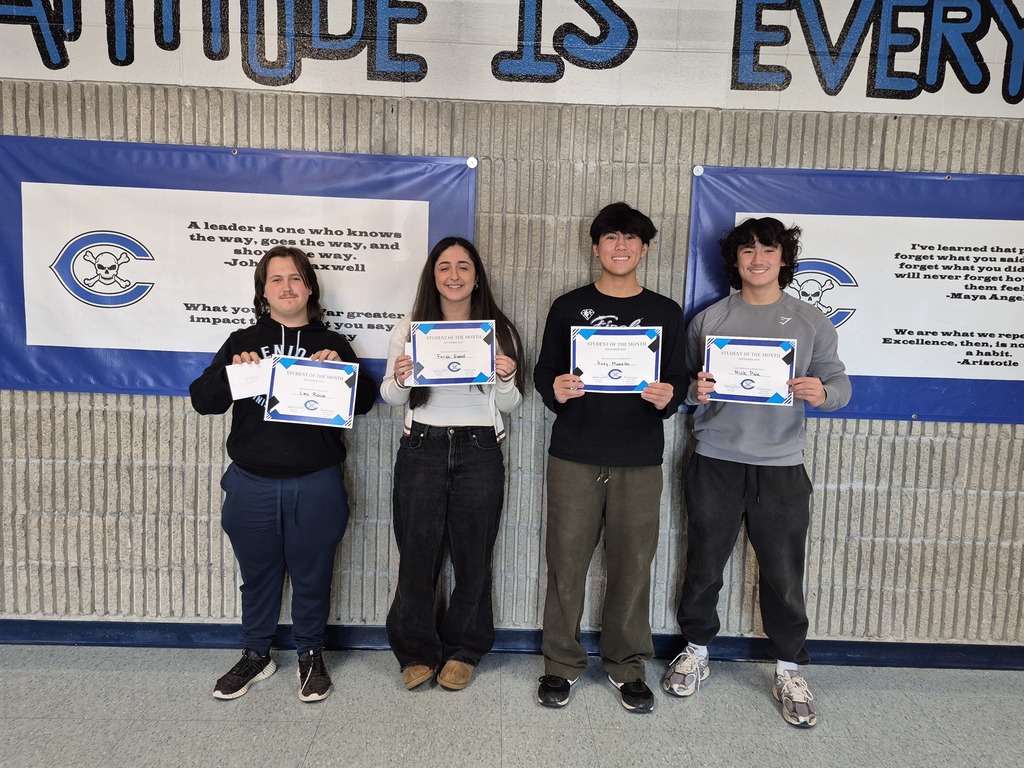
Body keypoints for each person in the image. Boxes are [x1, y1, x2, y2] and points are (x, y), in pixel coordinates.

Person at [662, 217, 851, 728]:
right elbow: (682, 388)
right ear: (736, 261)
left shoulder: (810, 321)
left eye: (768, 249)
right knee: (704, 562)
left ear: (784, 259)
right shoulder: (711, 320)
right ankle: (697, 648)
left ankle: (789, 666)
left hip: (781, 467)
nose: (757, 258)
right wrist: (693, 392)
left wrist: (822, 393)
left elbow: (839, 385)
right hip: (715, 461)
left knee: (784, 573)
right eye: (747, 250)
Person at [190, 245, 376, 702]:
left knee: (313, 573)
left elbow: (366, 402)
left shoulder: (331, 342)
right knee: (258, 575)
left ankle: (311, 654)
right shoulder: (241, 342)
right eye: (276, 279)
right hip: (251, 481)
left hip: (316, 481)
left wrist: (345, 372)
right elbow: (203, 400)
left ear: (309, 287)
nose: (286, 287)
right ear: (263, 291)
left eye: (295, 278)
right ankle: (257, 654)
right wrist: (232, 374)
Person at [533, 202, 687, 713]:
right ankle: (561, 663)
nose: (620, 247)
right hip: (575, 454)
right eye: (610, 238)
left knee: (633, 564)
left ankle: (627, 665)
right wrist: (554, 386)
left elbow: (680, 378)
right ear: (595, 247)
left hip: (639, 457)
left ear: (644, 249)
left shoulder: (666, 311)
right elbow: (545, 371)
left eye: (631, 239)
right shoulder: (568, 306)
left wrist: (672, 396)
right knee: (566, 563)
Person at [380, 236, 524, 691]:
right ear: (433, 276)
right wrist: (401, 378)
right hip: (421, 446)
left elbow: (512, 404)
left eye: (464, 266)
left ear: (476, 276)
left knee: (473, 555)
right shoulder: (409, 327)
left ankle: (465, 649)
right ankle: (416, 650)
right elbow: (389, 396)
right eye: (445, 267)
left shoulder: (498, 329)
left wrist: (507, 377)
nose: (455, 275)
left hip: (480, 450)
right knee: (417, 555)